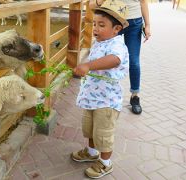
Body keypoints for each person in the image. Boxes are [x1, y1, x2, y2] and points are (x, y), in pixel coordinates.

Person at [71, 0, 129, 178]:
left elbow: (114, 59)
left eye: (101, 25)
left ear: (116, 29)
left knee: (103, 133)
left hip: (106, 101)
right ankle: (91, 151)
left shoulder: (117, 44)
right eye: (94, 24)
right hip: (92, 98)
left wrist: (88, 65)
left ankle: (105, 163)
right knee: (90, 129)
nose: (95, 28)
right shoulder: (99, 42)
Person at [90, 0, 151, 114]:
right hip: (111, 19)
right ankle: (100, 92)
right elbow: (91, 5)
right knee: (104, 56)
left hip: (134, 22)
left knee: (134, 62)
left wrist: (147, 25)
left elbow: (143, 2)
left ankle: (135, 96)